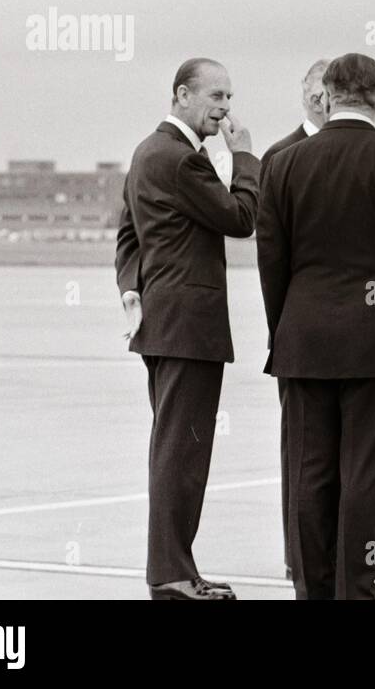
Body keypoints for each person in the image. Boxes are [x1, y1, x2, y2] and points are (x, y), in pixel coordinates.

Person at [257, 53, 375, 600]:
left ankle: (313, 590)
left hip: (303, 338)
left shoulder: (284, 163)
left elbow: (272, 261)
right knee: (363, 474)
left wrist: (285, 328)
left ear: (329, 96)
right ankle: (355, 587)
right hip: (374, 341)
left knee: (310, 473)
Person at [114, 57, 259, 600]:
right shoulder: (180, 159)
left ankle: (177, 568)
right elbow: (241, 218)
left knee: (176, 449)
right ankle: (172, 576)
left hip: (164, 323)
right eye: (216, 97)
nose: (225, 109)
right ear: (182, 96)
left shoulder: (146, 152)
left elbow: (127, 234)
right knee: (182, 453)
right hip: (187, 327)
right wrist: (244, 155)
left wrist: (134, 288)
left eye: (228, 97)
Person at [258, 57, 329, 580]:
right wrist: (279, 329)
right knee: (301, 454)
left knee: (349, 456)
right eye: (317, 88)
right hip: (300, 333)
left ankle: (349, 550)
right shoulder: (279, 156)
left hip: (352, 331)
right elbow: (271, 256)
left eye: (334, 88)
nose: (324, 98)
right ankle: (298, 554)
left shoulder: (370, 154)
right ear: (304, 93)